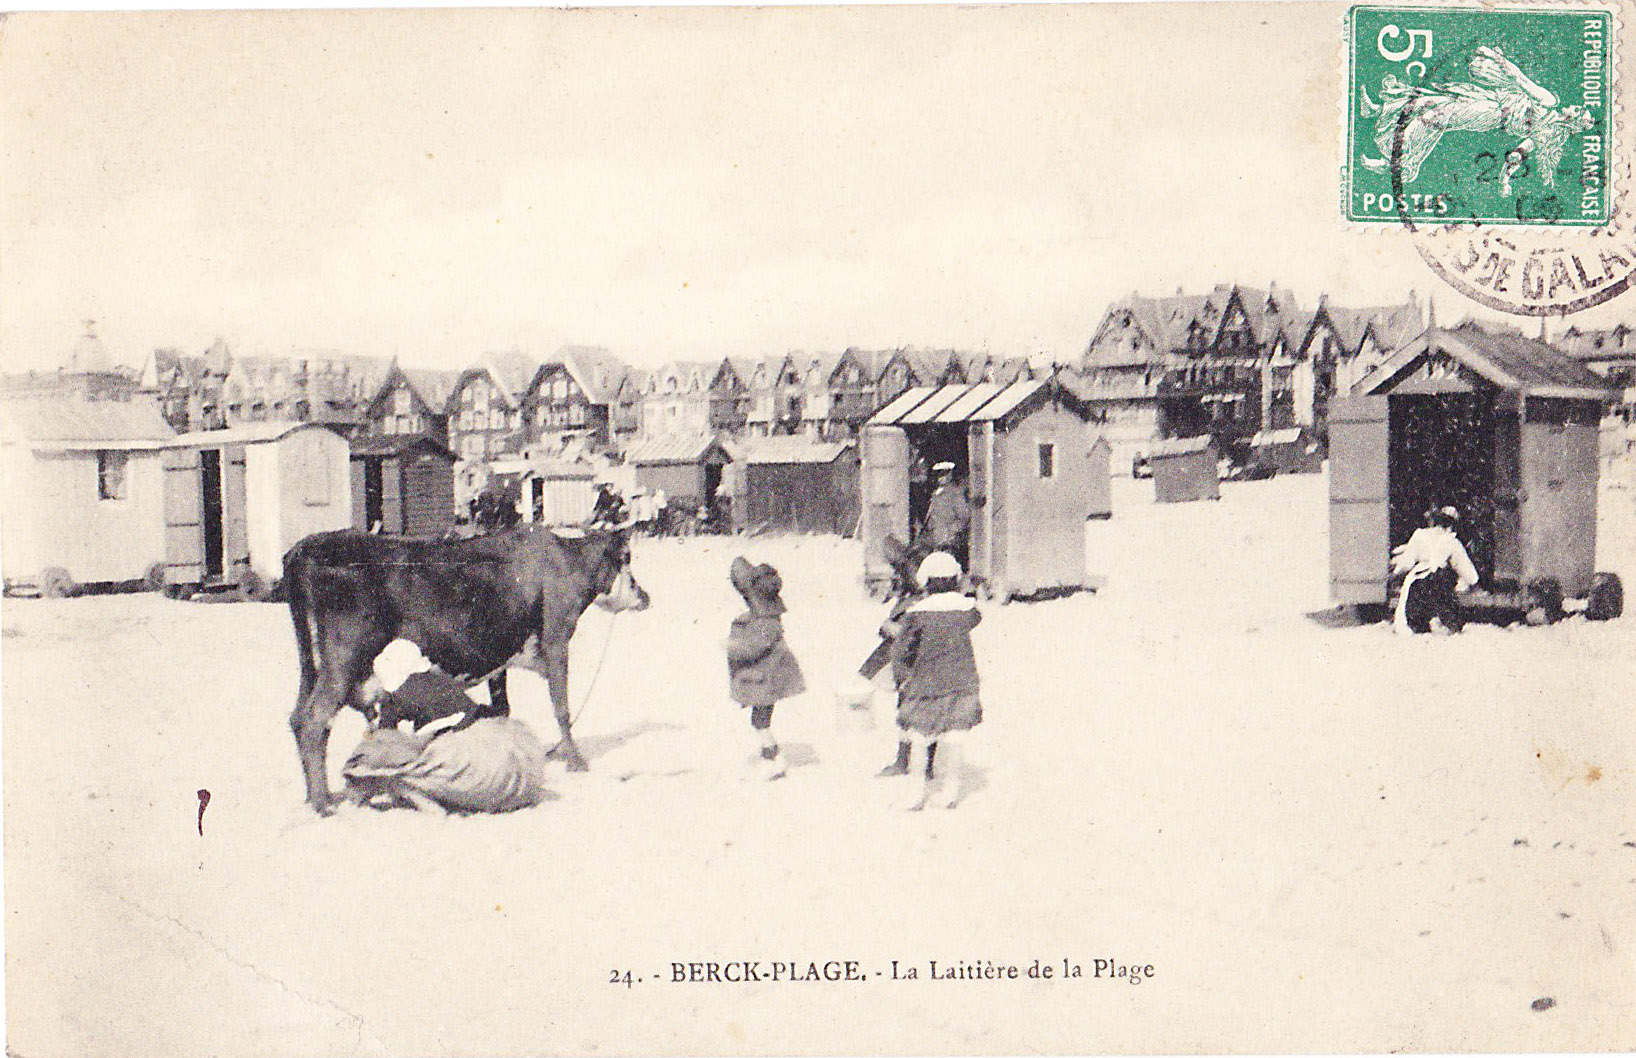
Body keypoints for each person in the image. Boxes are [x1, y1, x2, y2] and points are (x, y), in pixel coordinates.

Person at [891, 551, 982, 810]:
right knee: (954, 739)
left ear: (926, 581)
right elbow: (976, 617)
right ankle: (950, 793)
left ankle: (916, 794)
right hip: (962, 684)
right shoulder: (966, 610)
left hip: (927, 685)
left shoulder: (917, 614)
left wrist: (903, 679)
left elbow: (901, 651)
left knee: (920, 739)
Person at [725, 556, 806, 780]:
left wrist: (731, 646)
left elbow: (752, 648)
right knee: (760, 721)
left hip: (766, 680)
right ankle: (771, 757)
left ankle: (772, 760)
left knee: (760, 722)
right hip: (765, 678)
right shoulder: (769, 619)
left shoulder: (765, 623)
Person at [1390, 505, 1479, 634]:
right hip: (1439, 581)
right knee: (1451, 618)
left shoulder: (1420, 535)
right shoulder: (1451, 541)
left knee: (1414, 622)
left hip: (1418, 581)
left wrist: (1395, 573)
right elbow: (1463, 565)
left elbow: (1407, 562)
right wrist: (1473, 581)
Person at [920, 462, 973, 569]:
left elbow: (964, 517)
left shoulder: (955, 494)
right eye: (938, 474)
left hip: (949, 543)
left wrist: (950, 531)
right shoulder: (936, 493)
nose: (940, 477)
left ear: (950, 475)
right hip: (936, 541)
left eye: (944, 474)